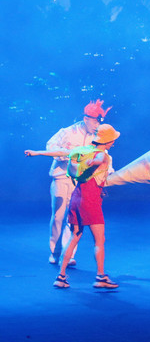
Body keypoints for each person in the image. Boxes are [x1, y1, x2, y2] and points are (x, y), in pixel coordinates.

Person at [25, 100, 111, 266]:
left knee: (73, 218)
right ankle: (55, 252)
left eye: (99, 121)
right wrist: (69, 156)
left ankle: (68, 254)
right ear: (86, 119)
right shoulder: (67, 132)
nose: (97, 124)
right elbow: (51, 146)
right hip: (61, 176)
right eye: (95, 121)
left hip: (82, 182)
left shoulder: (97, 136)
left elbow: (104, 157)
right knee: (58, 216)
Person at [53, 124, 121, 289]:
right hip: (90, 200)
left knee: (74, 237)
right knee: (99, 240)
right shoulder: (102, 155)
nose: (113, 143)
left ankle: (61, 277)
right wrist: (93, 162)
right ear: (107, 141)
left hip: (77, 197)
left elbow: (62, 153)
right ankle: (100, 277)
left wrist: (36, 153)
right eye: (112, 140)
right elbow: (99, 159)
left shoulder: (84, 150)